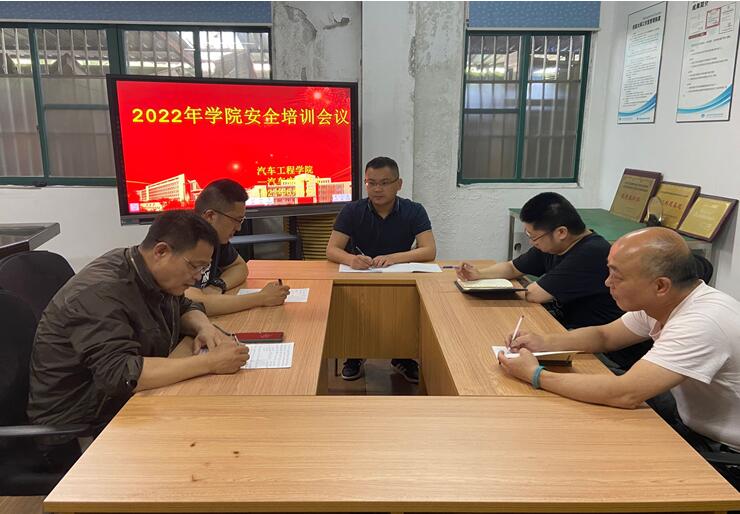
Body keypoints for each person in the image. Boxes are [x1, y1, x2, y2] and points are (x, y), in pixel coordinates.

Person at [498, 227, 740, 485]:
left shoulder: (701, 323)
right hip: (693, 421)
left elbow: (625, 394)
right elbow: (605, 336)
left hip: (725, 454)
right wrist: (542, 342)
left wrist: (535, 374)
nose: (607, 282)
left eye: (617, 276)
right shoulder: (667, 301)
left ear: (660, 285)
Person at [27, 211, 250, 468]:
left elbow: (184, 305)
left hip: (123, 403)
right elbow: (121, 373)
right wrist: (210, 363)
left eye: (203, 268)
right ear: (161, 251)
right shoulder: (100, 292)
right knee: (210, 450)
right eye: (194, 266)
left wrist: (205, 328)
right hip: (80, 428)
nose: (198, 277)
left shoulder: (147, 270)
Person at [326, 156, 436, 383]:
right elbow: (332, 249)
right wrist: (351, 259)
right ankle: (355, 353)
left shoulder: (414, 210)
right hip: (361, 276)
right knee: (351, 303)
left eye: (384, 183)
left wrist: (394, 258)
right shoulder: (352, 210)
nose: (377, 189)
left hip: (401, 277)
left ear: (399, 184)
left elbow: (429, 250)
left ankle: (402, 356)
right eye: (371, 183)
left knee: (407, 304)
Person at [458, 192, 623, 330]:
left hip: (599, 346)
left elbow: (534, 294)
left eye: (533, 236)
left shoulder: (590, 253)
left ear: (561, 232)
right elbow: (512, 268)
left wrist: (494, 290)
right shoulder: (553, 245)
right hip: (565, 326)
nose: (531, 242)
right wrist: (479, 274)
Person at [185, 179, 289, 316]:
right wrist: (262, 298)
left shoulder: (214, 238)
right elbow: (195, 303)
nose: (239, 228)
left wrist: (218, 285)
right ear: (210, 216)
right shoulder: (183, 242)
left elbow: (240, 267)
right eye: (236, 220)